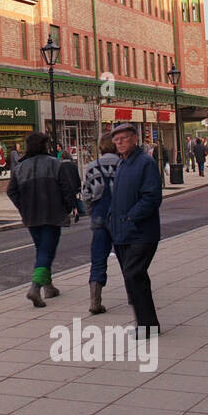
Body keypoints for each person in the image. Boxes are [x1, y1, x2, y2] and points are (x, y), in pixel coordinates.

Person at [6, 131, 79, 308]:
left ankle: (48, 286)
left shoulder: (20, 168)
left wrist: (23, 207)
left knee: (42, 249)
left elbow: (11, 191)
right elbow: (66, 189)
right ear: (44, 146)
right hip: (52, 213)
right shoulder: (55, 164)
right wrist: (70, 207)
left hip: (31, 215)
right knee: (47, 250)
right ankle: (35, 287)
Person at [108, 122, 162, 337]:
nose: (119, 143)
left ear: (134, 139)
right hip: (122, 232)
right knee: (133, 278)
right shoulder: (122, 164)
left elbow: (152, 196)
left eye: (123, 138)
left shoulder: (144, 163)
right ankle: (148, 324)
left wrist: (131, 217)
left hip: (141, 232)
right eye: (116, 140)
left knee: (134, 275)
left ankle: (147, 326)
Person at [81, 133, 121, 314]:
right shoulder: (122, 165)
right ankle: (134, 294)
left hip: (99, 214)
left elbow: (86, 195)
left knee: (98, 257)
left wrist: (91, 212)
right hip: (120, 215)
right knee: (127, 257)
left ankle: (95, 299)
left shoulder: (92, 167)